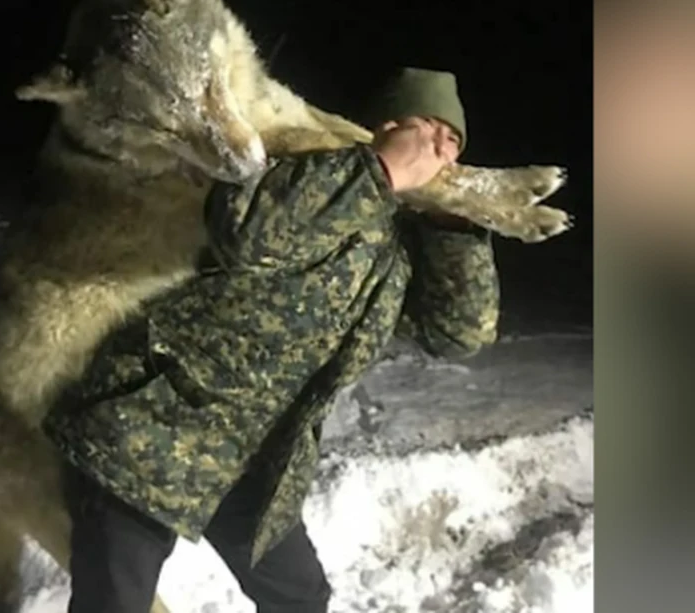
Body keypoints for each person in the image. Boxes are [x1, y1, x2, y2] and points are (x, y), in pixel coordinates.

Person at [43, 67, 500, 613]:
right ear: (385, 126)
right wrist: (375, 171)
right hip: (149, 432)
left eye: (453, 141)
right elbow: (247, 232)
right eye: (427, 128)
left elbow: (457, 334)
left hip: (255, 463)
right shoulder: (293, 163)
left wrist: (455, 230)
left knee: (301, 599)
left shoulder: (399, 253)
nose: (441, 150)